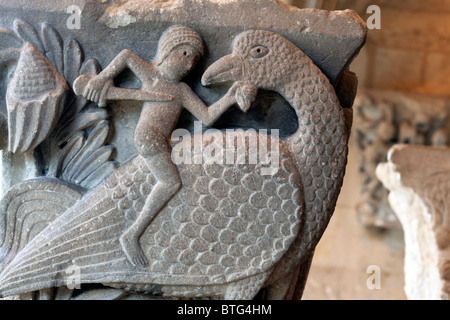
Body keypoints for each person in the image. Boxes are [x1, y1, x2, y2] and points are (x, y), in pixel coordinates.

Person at [82, 25, 256, 267]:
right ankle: (132, 234)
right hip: (148, 135)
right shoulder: (152, 75)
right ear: (166, 50)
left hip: (165, 138)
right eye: (184, 54)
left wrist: (228, 97)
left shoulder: (182, 90)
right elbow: (125, 56)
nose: (188, 65)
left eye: (194, 61)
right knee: (170, 181)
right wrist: (103, 78)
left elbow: (206, 117)